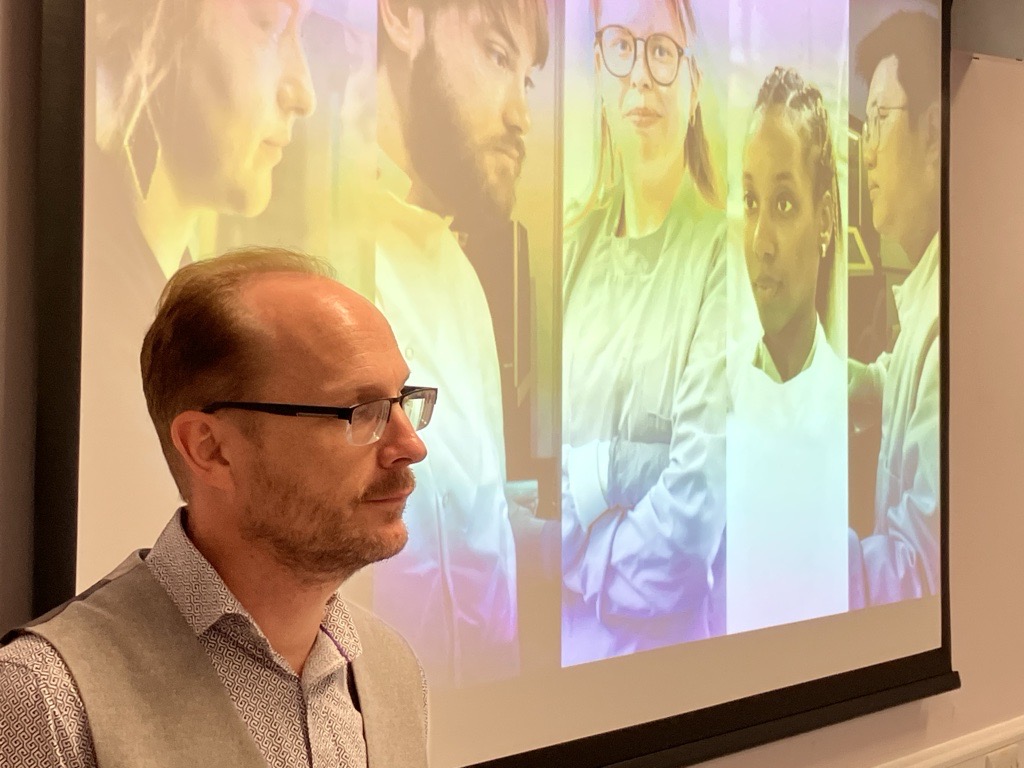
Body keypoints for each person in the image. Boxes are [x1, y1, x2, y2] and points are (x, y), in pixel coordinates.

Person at [0, 248, 433, 767]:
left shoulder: (391, 668)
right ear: (211, 448)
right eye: (361, 411)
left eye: (401, 400)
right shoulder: (45, 700)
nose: (411, 445)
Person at [81, 0, 318, 581]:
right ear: (155, 29)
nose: (303, 90)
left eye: (301, 34)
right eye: (266, 26)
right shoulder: (94, 323)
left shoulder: (177, 298)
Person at [373, 0, 549, 685]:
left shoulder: (462, 282)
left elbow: (483, 538)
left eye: (526, 77)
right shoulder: (320, 258)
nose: (520, 115)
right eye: (497, 55)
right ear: (403, 16)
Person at [560, 0, 727, 664]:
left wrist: (580, 551)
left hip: (675, 660)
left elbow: (690, 526)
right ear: (599, 74)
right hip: (564, 662)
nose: (640, 75)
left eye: (662, 50)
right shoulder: (572, 247)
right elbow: (549, 486)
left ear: (695, 86)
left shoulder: (723, 255)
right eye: (620, 46)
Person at [726, 66, 848, 633]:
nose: (761, 243)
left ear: (824, 219)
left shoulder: (860, 417)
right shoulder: (713, 398)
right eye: (751, 202)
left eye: (783, 204)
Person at [848, 10, 942, 607]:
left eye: (880, 120)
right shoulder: (930, 288)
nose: (868, 154)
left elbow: (920, 572)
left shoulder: (952, 331)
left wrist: (790, 557)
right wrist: (843, 380)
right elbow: (903, 379)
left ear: (933, 136)